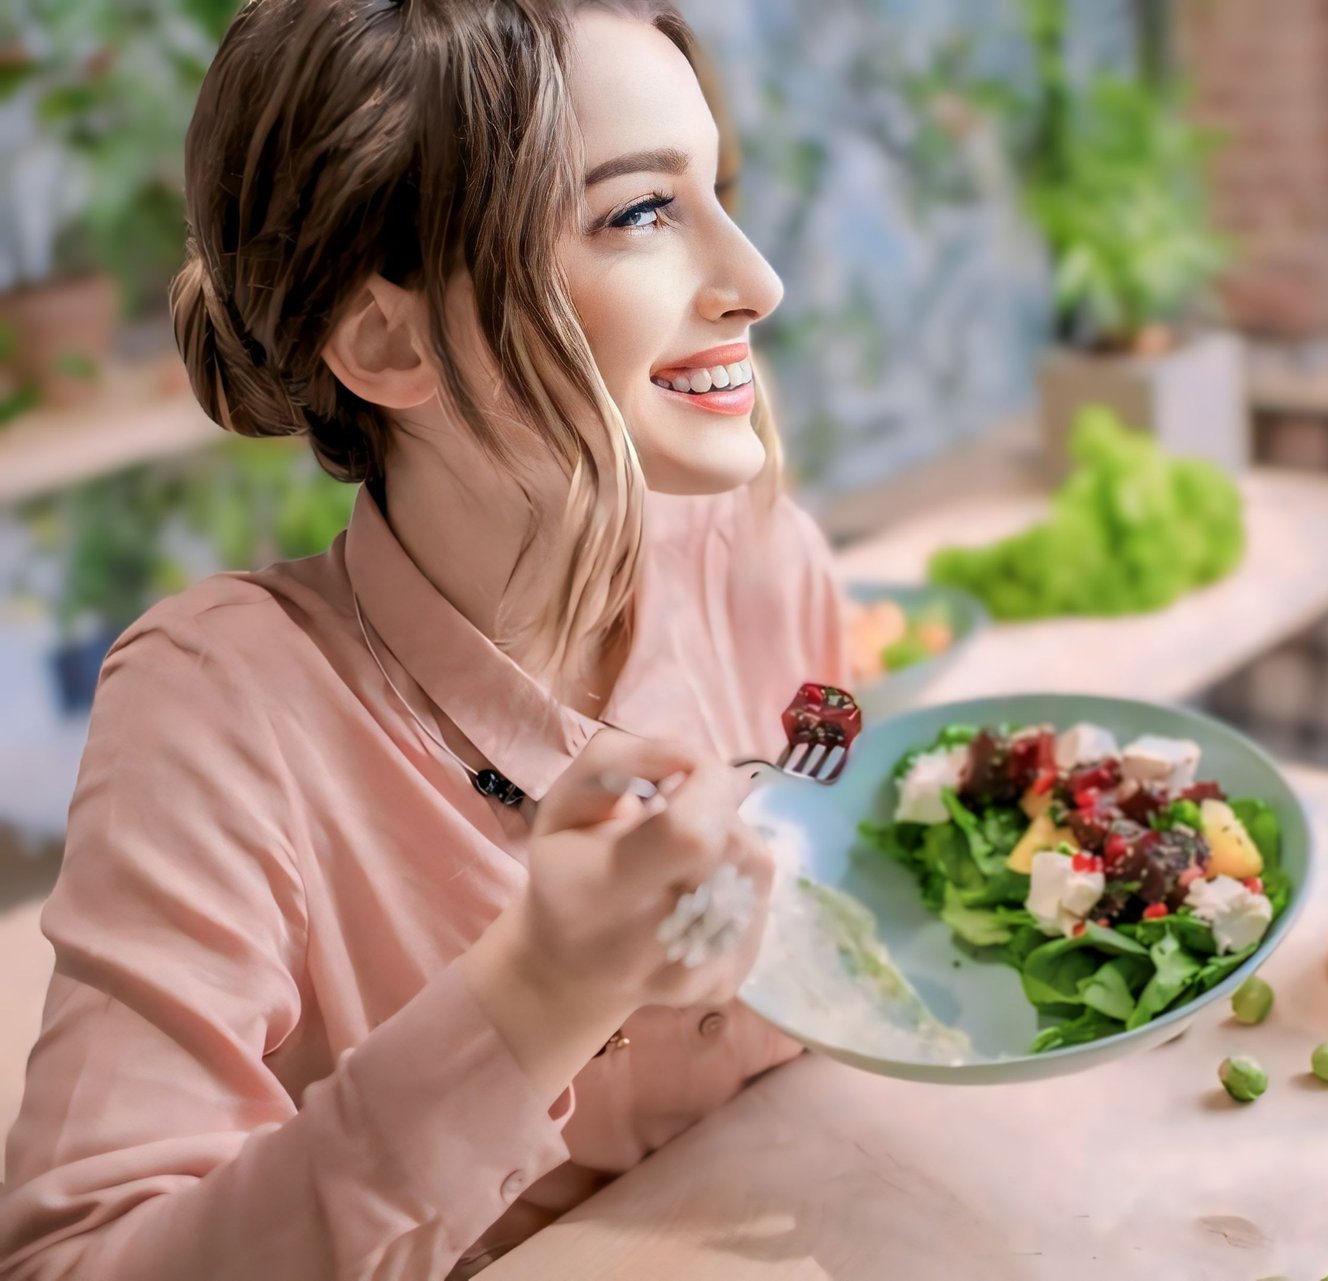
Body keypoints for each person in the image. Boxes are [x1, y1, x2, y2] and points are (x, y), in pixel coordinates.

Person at [0, 3, 847, 1277]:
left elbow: (855, 876)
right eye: (639, 213)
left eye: (715, 188)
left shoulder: (762, 554)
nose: (758, 281)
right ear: (387, 339)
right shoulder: (220, 709)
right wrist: (538, 995)